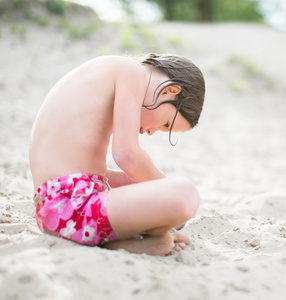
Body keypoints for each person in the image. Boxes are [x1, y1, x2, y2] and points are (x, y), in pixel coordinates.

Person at [29, 54, 205, 256]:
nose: (150, 132)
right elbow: (127, 156)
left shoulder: (103, 75)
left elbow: (71, 170)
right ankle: (126, 236)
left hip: (55, 213)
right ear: (170, 91)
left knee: (137, 183)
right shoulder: (130, 71)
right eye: (165, 124)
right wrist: (164, 185)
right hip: (72, 209)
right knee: (185, 193)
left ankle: (119, 243)